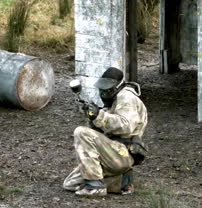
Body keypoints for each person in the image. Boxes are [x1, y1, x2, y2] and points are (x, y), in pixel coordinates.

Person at [63, 67, 148, 196]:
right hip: (111, 152)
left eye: (107, 89)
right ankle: (121, 182)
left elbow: (126, 126)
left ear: (117, 86)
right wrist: (93, 117)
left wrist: (99, 116)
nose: (103, 93)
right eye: (102, 90)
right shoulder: (113, 101)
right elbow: (98, 136)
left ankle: (95, 187)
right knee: (70, 184)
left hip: (122, 152)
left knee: (81, 132)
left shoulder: (126, 97)